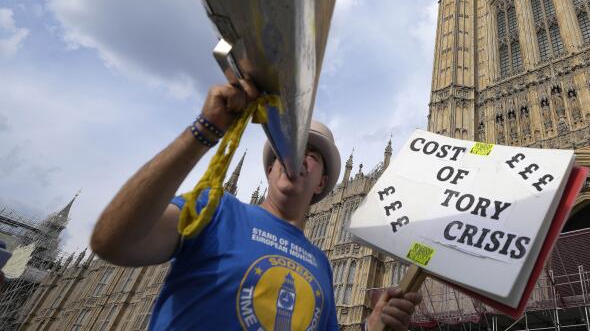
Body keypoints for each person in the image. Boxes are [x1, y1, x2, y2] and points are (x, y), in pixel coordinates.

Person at [91, 81, 421, 330]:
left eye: (312, 153)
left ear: (323, 182)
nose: (297, 156)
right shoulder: (216, 211)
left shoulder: (321, 264)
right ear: (270, 167)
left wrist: (372, 324)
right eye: (288, 147)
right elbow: (114, 240)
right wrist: (203, 130)